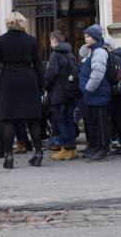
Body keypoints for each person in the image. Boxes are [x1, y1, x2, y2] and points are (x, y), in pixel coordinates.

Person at [0, 12, 44, 169]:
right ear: (23, 23)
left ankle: (8, 156)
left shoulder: (0, 41)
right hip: (29, 79)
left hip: (9, 81)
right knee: (33, 119)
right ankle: (38, 153)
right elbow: (38, 65)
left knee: (8, 119)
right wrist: (41, 86)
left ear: (8, 23)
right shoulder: (31, 40)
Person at [79, 24, 112, 162]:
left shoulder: (99, 52)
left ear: (95, 37)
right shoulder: (92, 51)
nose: (86, 39)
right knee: (95, 123)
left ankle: (103, 149)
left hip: (97, 94)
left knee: (100, 124)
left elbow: (97, 74)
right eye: (85, 36)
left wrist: (88, 89)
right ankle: (98, 147)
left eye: (88, 36)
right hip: (93, 95)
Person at [44, 30, 78, 161]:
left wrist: (45, 85)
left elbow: (51, 74)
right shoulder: (70, 54)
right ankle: (72, 149)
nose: (50, 43)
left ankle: (66, 149)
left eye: (50, 41)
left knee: (60, 122)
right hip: (70, 93)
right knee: (69, 121)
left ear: (54, 41)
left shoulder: (55, 55)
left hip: (58, 93)